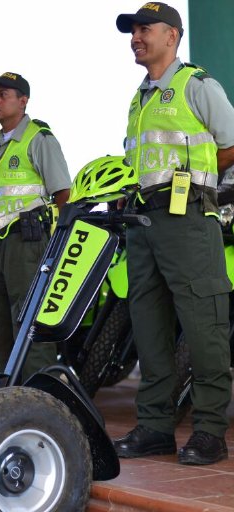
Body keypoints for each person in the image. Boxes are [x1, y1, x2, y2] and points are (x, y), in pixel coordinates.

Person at [114, 2, 234, 465]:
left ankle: (208, 431)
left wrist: (195, 177)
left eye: (145, 29)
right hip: (142, 224)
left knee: (204, 329)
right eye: (133, 31)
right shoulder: (138, 98)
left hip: (187, 221)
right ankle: (155, 428)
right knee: (150, 330)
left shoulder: (197, 85)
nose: (136, 37)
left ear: (172, 36)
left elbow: (230, 141)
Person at [0, 72, 72, 379]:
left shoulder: (38, 138)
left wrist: (59, 243)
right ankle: (10, 394)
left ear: (23, 100)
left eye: (3, 94)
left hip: (28, 242)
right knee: (1, 325)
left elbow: (63, 193)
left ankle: (40, 394)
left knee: (29, 322)